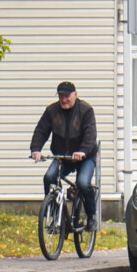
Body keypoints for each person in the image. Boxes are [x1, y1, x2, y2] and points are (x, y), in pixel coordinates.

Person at [30, 81, 98, 230]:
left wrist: (83, 151)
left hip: (85, 157)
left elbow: (90, 135)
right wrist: (36, 149)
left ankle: (92, 216)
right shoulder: (52, 111)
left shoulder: (86, 110)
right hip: (63, 156)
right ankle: (56, 215)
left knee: (83, 183)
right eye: (61, 96)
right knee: (49, 178)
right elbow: (41, 131)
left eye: (67, 96)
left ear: (75, 95)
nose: (64, 100)